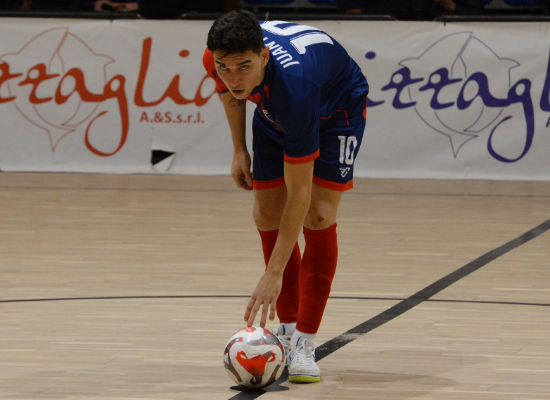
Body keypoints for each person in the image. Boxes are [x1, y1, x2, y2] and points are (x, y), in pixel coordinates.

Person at [203, 9, 369, 383]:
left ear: (263, 56)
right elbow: (229, 92)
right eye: (223, 67)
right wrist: (239, 149)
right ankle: (288, 328)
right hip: (273, 108)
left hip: (336, 110)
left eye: (243, 67)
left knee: (319, 215)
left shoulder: (296, 92)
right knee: (265, 214)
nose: (233, 77)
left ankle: (304, 341)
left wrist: (273, 274)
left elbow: (300, 195)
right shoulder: (219, 58)